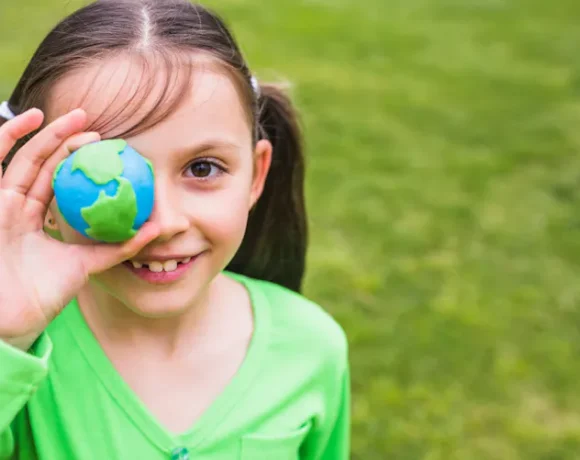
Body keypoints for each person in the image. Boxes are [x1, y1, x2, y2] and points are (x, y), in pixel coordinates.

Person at [0, 1, 350, 459]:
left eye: (202, 168)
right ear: (41, 189)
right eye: (111, 172)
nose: (162, 225)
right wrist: (7, 339)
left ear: (256, 175)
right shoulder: (19, 353)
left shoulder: (311, 348)